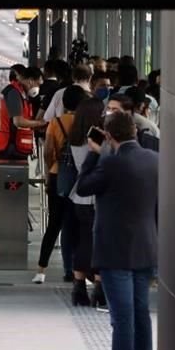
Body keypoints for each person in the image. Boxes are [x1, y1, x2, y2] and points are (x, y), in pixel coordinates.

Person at [76, 112, 158, 350]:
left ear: (109, 136)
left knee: (122, 319)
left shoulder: (110, 163)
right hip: (146, 249)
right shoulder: (154, 160)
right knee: (141, 316)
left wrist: (93, 154)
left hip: (115, 252)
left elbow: (83, 187)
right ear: (135, 131)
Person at [34, 85, 87, 284]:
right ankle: (76, 270)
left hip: (58, 176)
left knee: (55, 223)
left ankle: (41, 270)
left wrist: (50, 171)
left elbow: (48, 151)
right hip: (80, 179)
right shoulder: (85, 123)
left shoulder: (56, 123)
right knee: (76, 225)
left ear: (64, 103)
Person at [62, 97, 106, 307]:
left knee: (83, 241)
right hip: (95, 195)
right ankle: (99, 288)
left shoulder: (75, 136)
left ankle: (79, 287)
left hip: (79, 195)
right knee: (98, 243)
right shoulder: (97, 138)